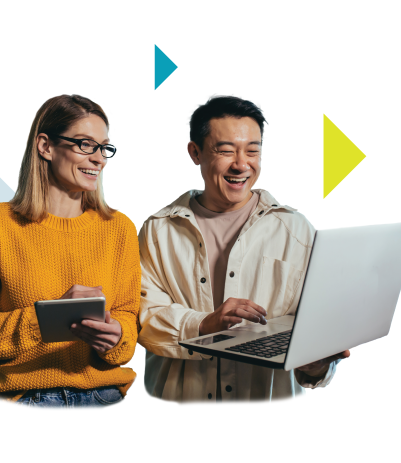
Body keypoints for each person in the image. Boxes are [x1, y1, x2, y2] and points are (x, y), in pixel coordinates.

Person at [138, 96, 349, 402]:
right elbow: (144, 318)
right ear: (195, 153)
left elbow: (313, 332)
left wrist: (316, 362)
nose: (241, 164)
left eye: (253, 151)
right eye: (225, 150)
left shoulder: (297, 230)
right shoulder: (158, 231)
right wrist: (204, 324)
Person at [0, 94, 140, 407]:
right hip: (24, 400)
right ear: (45, 146)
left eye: (104, 147)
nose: (99, 159)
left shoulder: (120, 229)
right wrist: (46, 319)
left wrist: (117, 336)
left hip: (104, 398)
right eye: (85, 144)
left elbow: (128, 316)